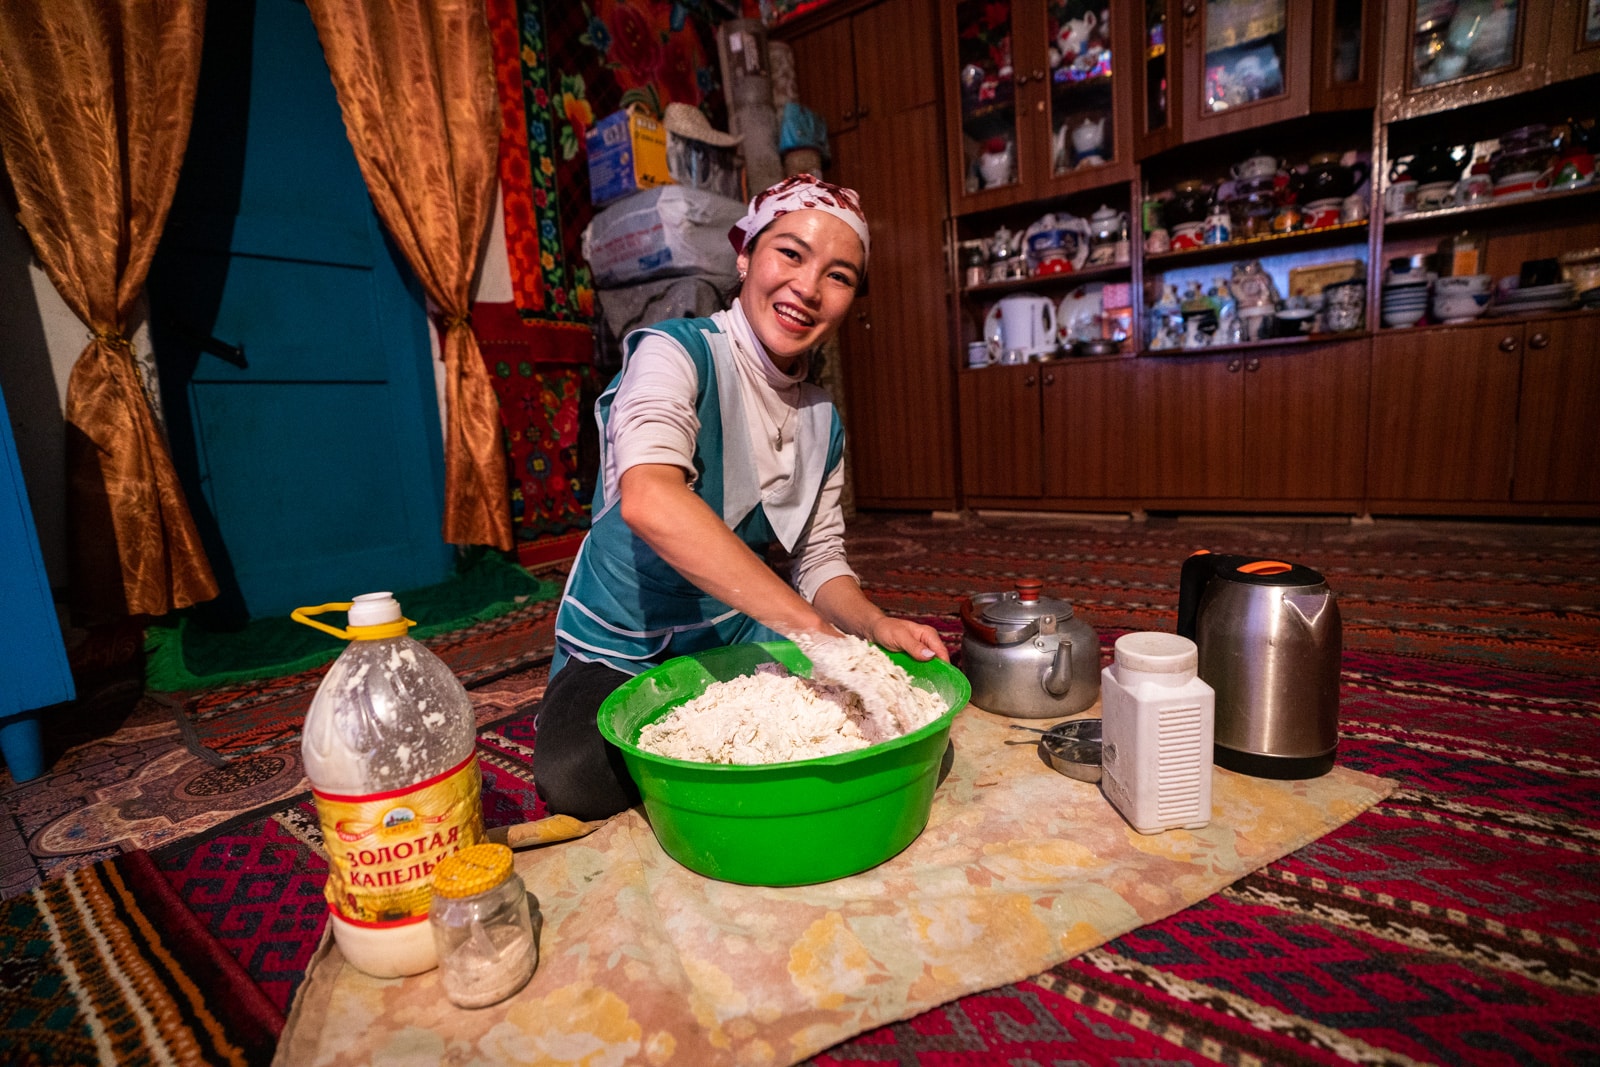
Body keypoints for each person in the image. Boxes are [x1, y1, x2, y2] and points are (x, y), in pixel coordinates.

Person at [528, 174, 949, 821]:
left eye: (838, 275)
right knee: (579, 775)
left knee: (902, 733)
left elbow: (820, 561)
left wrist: (870, 625)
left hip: (732, 630)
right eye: (790, 253)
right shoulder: (674, 354)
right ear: (745, 254)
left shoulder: (821, 418)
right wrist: (814, 632)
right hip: (624, 641)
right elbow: (648, 497)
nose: (807, 288)